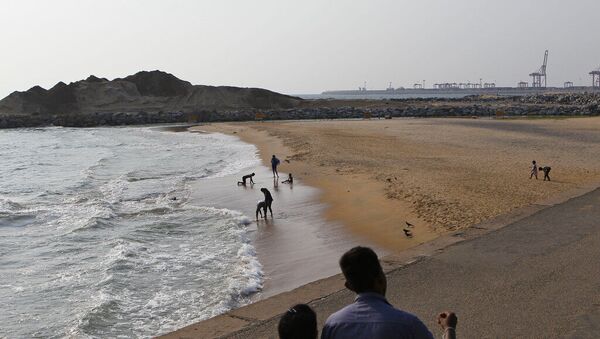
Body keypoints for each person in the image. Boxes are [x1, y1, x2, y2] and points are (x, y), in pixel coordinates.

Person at [321, 246, 438, 339]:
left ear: (349, 286)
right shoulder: (408, 323)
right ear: (381, 279)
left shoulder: (332, 324)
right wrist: (449, 328)